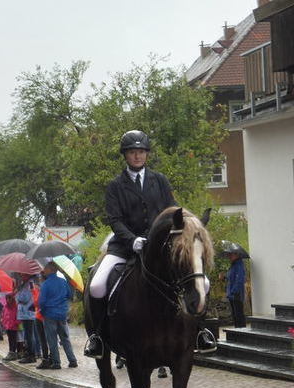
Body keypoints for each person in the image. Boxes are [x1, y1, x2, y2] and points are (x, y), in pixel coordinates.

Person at [85, 130, 216, 359]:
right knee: (97, 285)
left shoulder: (160, 180)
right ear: (125, 155)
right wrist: (132, 239)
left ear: (147, 154)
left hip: (159, 247)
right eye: (133, 153)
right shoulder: (115, 185)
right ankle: (97, 337)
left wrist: (188, 225)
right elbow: (115, 220)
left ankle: (199, 331)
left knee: (201, 282)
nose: (137, 157)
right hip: (125, 246)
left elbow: (173, 211)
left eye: (141, 152)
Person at [38, 262, 78, 369]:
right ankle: (72, 360)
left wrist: (42, 311)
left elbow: (41, 301)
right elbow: (69, 295)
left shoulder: (45, 284)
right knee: (65, 338)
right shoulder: (63, 281)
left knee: (52, 339)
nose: (44, 270)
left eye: (45, 268)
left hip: (49, 314)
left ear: (51, 270)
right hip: (62, 314)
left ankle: (56, 362)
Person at [15, 275, 37, 364]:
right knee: (27, 335)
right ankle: (29, 353)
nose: (20, 275)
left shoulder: (29, 283)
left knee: (29, 335)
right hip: (25, 313)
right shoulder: (25, 284)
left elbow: (24, 298)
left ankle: (31, 355)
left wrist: (17, 293)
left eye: (22, 274)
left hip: (28, 313)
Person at [224, 251, 246, 328]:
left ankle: (242, 334)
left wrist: (233, 291)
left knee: (238, 315)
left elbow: (240, 280)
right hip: (231, 295)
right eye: (228, 254)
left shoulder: (239, 265)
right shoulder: (233, 265)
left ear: (237, 255)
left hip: (237, 295)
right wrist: (224, 276)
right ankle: (237, 333)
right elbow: (230, 277)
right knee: (235, 315)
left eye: (231, 254)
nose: (229, 256)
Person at [1, 294, 20, 361]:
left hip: (13, 326)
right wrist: (3, 323)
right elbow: (3, 316)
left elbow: (18, 317)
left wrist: (16, 323)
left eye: (10, 298)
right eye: (7, 299)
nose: (8, 300)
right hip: (7, 326)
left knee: (13, 339)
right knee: (10, 339)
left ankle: (13, 352)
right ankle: (11, 351)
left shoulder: (15, 307)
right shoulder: (5, 307)